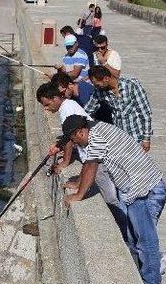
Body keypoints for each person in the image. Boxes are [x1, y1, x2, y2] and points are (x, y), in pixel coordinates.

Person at [60, 115, 166, 284]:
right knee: (132, 236)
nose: (74, 143)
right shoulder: (97, 130)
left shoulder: (96, 138)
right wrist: (78, 182)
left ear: (80, 132)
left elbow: (92, 166)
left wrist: (79, 195)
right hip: (136, 190)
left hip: (146, 189)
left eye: (73, 139)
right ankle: (141, 278)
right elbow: (88, 164)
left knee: (144, 239)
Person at [36, 84, 123, 225]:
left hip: (99, 158)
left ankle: (124, 231)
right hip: (93, 156)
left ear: (56, 98)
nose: (46, 108)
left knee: (111, 199)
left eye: (47, 104)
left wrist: (64, 163)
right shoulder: (68, 105)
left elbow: (71, 140)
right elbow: (69, 139)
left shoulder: (66, 110)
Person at [85, 66, 152, 151]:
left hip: (137, 136)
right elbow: (88, 110)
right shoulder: (99, 91)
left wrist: (146, 138)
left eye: (97, 84)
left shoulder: (131, 85)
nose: (96, 87)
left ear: (106, 78)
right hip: (120, 137)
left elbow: (145, 113)